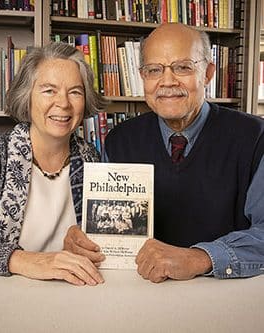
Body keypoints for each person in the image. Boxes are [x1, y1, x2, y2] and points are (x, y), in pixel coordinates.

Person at [64, 23, 264, 283]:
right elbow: (109, 229)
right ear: (142, 76)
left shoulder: (254, 137)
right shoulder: (119, 141)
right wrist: (84, 240)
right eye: (154, 70)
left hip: (224, 297)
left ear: (208, 73)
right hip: (138, 291)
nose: (167, 81)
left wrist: (199, 258)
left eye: (183, 67)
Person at [0, 42, 107, 286]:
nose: (63, 103)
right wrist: (20, 260)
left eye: (75, 91)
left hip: (77, 298)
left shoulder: (91, 158)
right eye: (49, 90)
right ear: (26, 96)